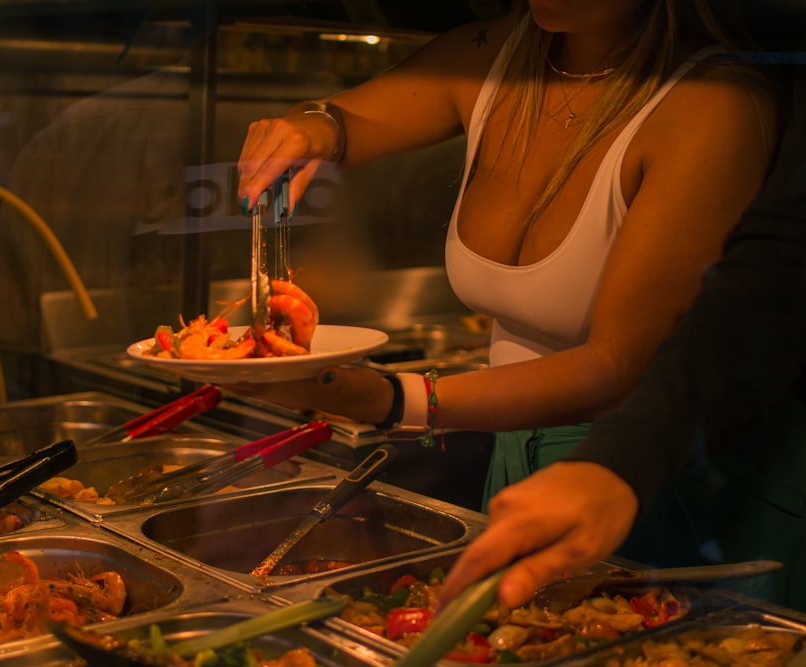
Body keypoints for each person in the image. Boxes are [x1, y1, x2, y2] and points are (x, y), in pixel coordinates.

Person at [235, 1, 780, 506]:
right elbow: (343, 125)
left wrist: (390, 398)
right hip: (511, 451)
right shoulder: (497, 53)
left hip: (638, 474)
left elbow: (615, 367)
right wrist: (309, 126)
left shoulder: (713, 103)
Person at [437, 55, 806, 613]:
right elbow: (775, 274)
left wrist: (406, 400)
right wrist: (620, 463)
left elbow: (617, 362)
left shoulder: (719, 101)